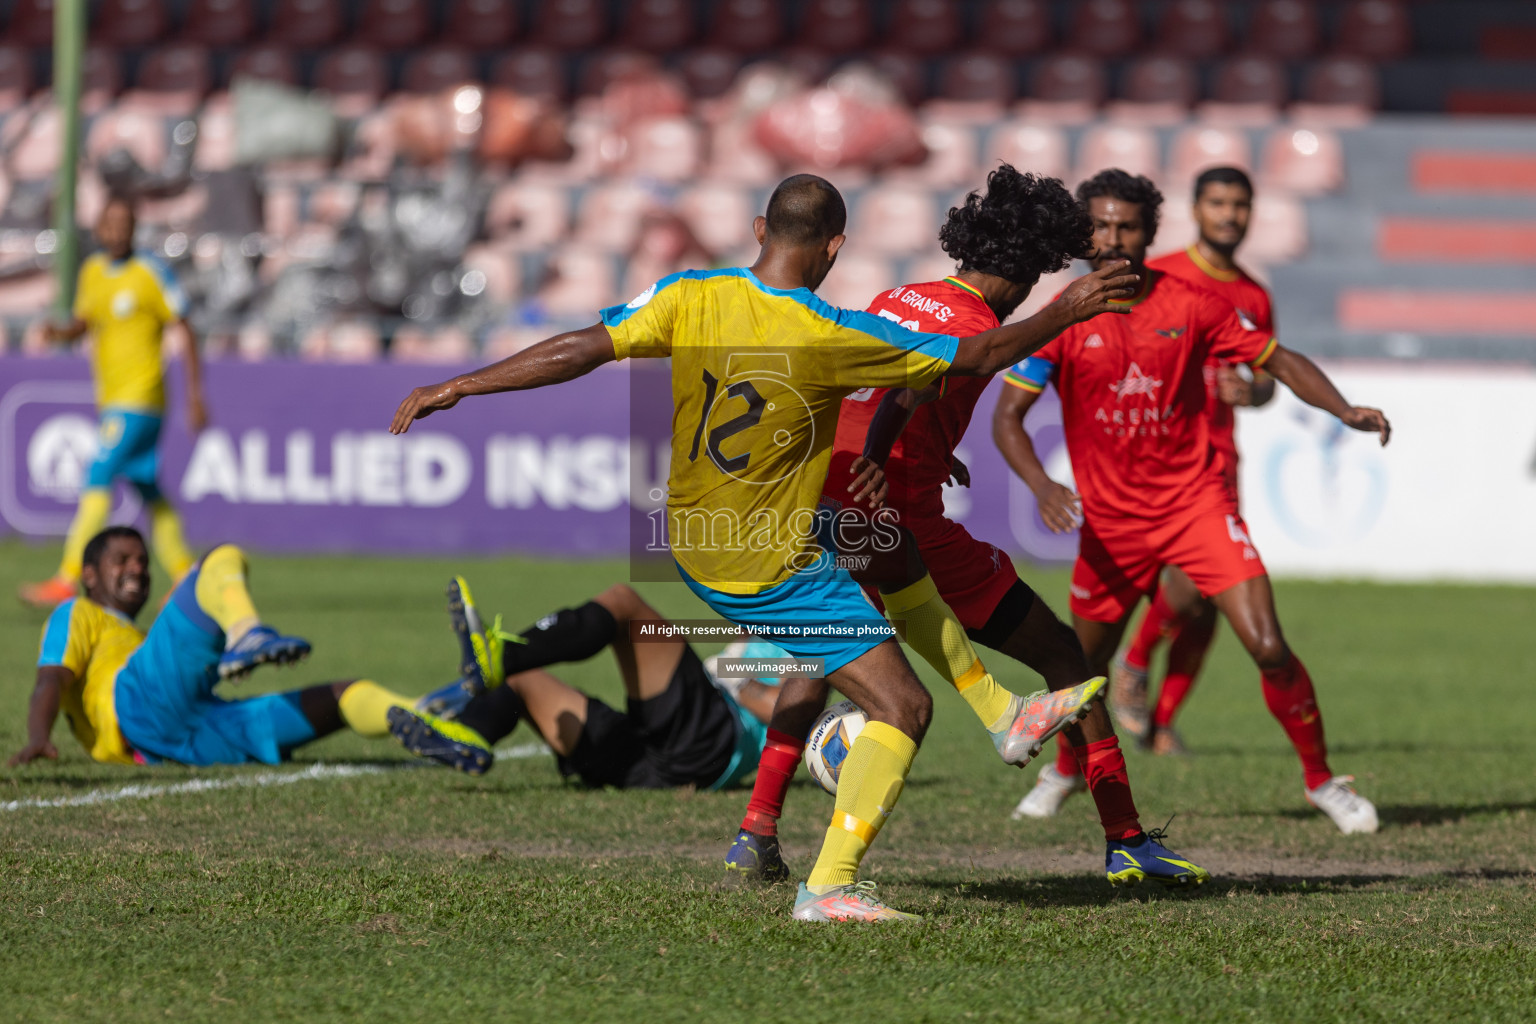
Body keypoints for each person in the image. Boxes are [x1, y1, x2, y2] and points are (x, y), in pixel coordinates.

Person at [390, 173, 1138, 922]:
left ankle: (996, 714)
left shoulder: (689, 294)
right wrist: (1069, 307)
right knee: (903, 707)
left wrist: (464, 383)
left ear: (758, 229)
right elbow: (976, 357)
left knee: (894, 553)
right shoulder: (833, 334)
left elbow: (582, 347)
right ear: (835, 247)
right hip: (770, 561)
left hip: (695, 537)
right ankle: (830, 886)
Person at [722, 165, 1207, 891]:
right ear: (1039, 266)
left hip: (830, 507)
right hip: (898, 518)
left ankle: (755, 831)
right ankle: (1126, 840)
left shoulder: (901, 295)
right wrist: (890, 457)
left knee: (823, 658)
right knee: (1063, 658)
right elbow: (913, 384)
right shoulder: (978, 323)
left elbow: (876, 379)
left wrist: (928, 447)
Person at [994, 169, 1389, 835]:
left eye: (1128, 226)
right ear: (1084, 234)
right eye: (1102, 227)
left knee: (1267, 644)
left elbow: (1278, 360)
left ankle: (1323, 781)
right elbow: (1008, 417)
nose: (1114, 239)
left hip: (1195, 508)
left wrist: (1344, 409)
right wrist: (1042, 485)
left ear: (1150, 233)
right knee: (1080, 666)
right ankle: (1064, 769)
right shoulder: (1064, 313)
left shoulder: (1193, 303)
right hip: (1111, 525)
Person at [8, 526, 480, 769]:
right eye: (121, 561)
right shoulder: (78, 613)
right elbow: (51, 678)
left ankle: (422, 713)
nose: (138, 569)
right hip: (135, 709)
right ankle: (246, 632)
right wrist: (37, 736)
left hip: (181, 739)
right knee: (220, 559)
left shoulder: (138, 637)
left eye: (143, 561)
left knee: (338, 696)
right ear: (89, 575)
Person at [1108, 165, 1278, 758]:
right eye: (1218, 203)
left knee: (1206, 604)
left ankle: (1158, 724)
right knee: (1187, 586)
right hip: (1154, 456)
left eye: (1240, 204)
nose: (1229, 215)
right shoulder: (1166, 277)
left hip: (1218, 456)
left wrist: (1252, 392)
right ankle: (1130, 662)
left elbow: (1267, 378)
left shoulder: (1255, 295)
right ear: (1197, 209)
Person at [390, 577, 791, 791]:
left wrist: (736, 680)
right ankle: (470, 735)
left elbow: (788, 711)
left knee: (624, 606)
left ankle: (498, 656)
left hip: (711, 741)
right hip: (655, 770)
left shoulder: (817, 636)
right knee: (523, 682)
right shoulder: (774, 615)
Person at [20, 197, 207, 610]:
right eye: (110, 223)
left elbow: (184, 325)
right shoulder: (92, 273)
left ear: (135, 228)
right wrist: (62, 333)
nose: (117, 231)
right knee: (148, 487)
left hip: (141, 398)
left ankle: (69, 576)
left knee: (98, 471)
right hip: (113, 399)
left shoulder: (150, 272)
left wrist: (196, 394)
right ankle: (186, 574)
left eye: (125, 223)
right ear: (99, 229)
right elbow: (86, 322)